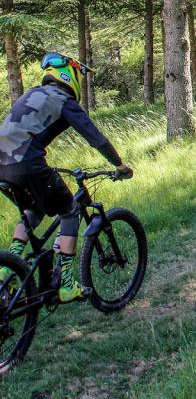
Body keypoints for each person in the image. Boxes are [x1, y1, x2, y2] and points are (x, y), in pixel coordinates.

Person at [0, 52, 132, 302]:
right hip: (27, 164)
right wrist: (119, 164)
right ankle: (67, 285)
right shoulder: (62, 99)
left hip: (2, 166)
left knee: (34, 211)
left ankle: (7, 267)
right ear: (69, 75)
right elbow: (96, 138)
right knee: (70, 211)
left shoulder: (30, 95)